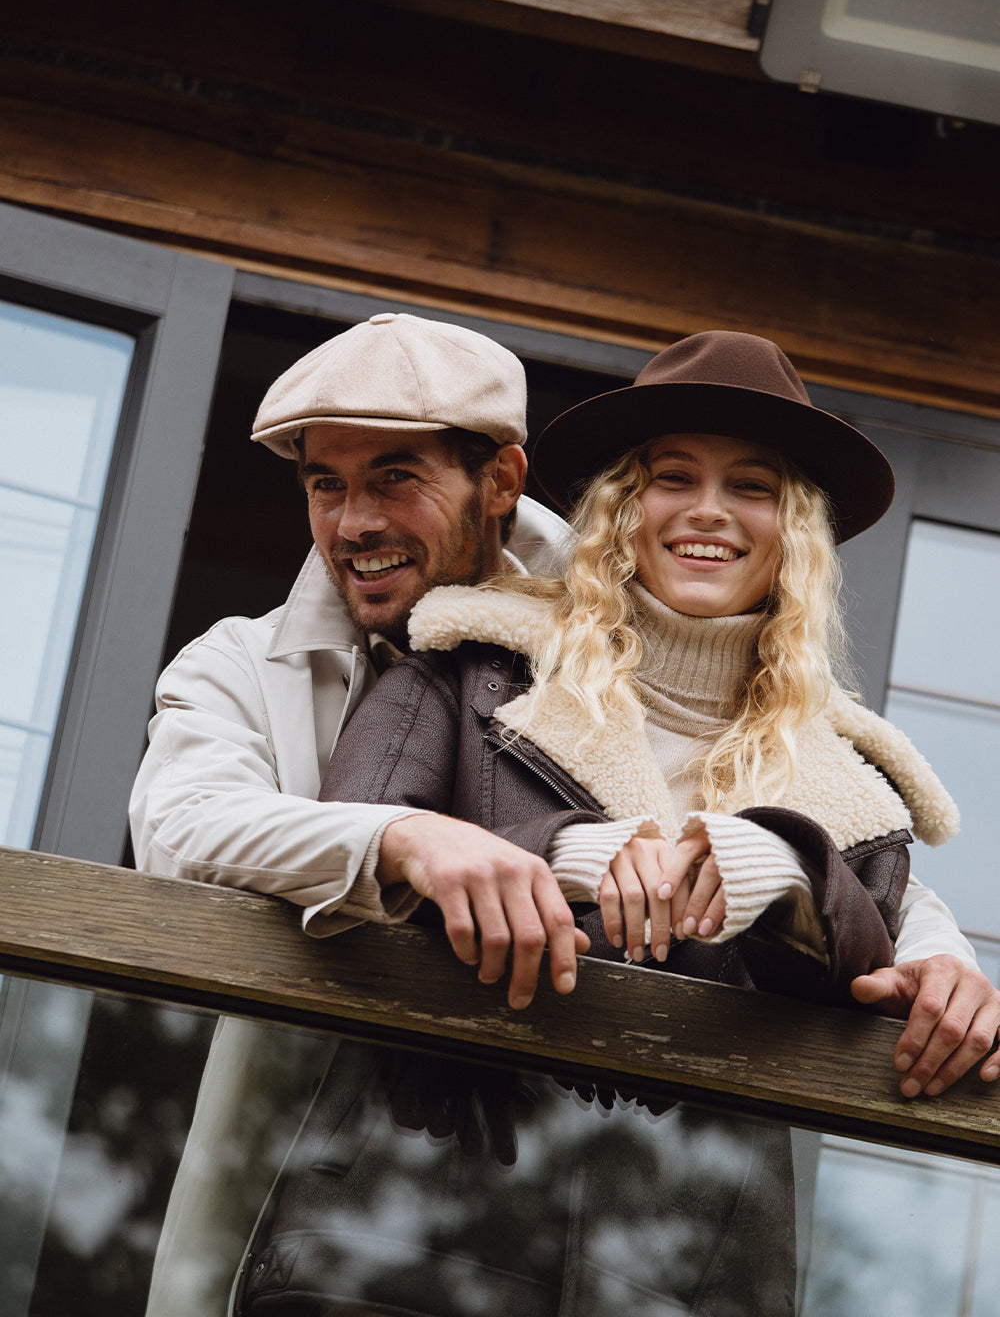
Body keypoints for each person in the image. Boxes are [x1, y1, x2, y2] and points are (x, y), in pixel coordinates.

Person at [132, 319, 995, 1314]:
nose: (355, 519)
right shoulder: (464, 662)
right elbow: (300, 821)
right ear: (622, 506)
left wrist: (816, 882)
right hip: (400, 1229)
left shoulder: (845, 769)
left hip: (677, 1265)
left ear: (501, 482)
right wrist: (541, 850)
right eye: (671, 477)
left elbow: (883, 904)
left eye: (752, 485)